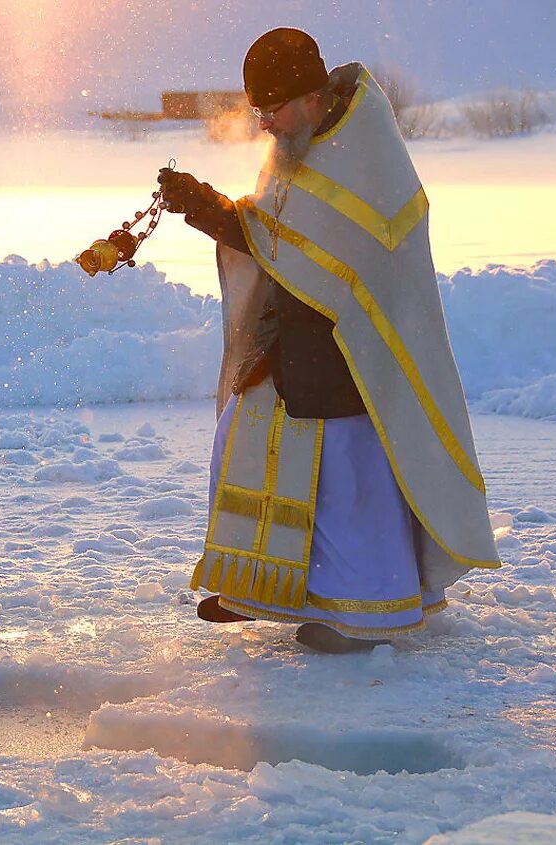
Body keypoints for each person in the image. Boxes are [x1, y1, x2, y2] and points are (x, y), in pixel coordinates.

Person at [159, 28, 501, 654]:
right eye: (258, 112)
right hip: (298, 336)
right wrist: (206, 206)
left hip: (358, 352)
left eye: (273, 109)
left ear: (311, 95)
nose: (265, 125)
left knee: (347, 474)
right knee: (241, 432)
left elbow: (341, 256)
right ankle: (259, 587)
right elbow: (276, 236)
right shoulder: (301, 142)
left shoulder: (362, 148)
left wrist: (232, 222)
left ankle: (366, 613)